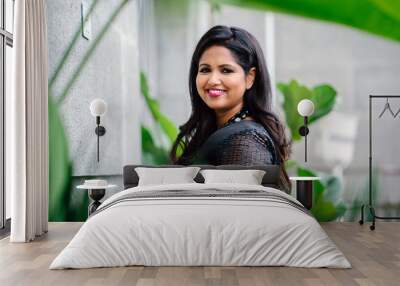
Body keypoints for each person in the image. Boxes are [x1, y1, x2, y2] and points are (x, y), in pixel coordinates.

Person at [170, 25, 291, 190]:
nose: (213, 80)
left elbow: (241, 211)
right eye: (205, 69)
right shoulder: (218, 130)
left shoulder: (245, 140)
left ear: (250, 78)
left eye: (226, 70)